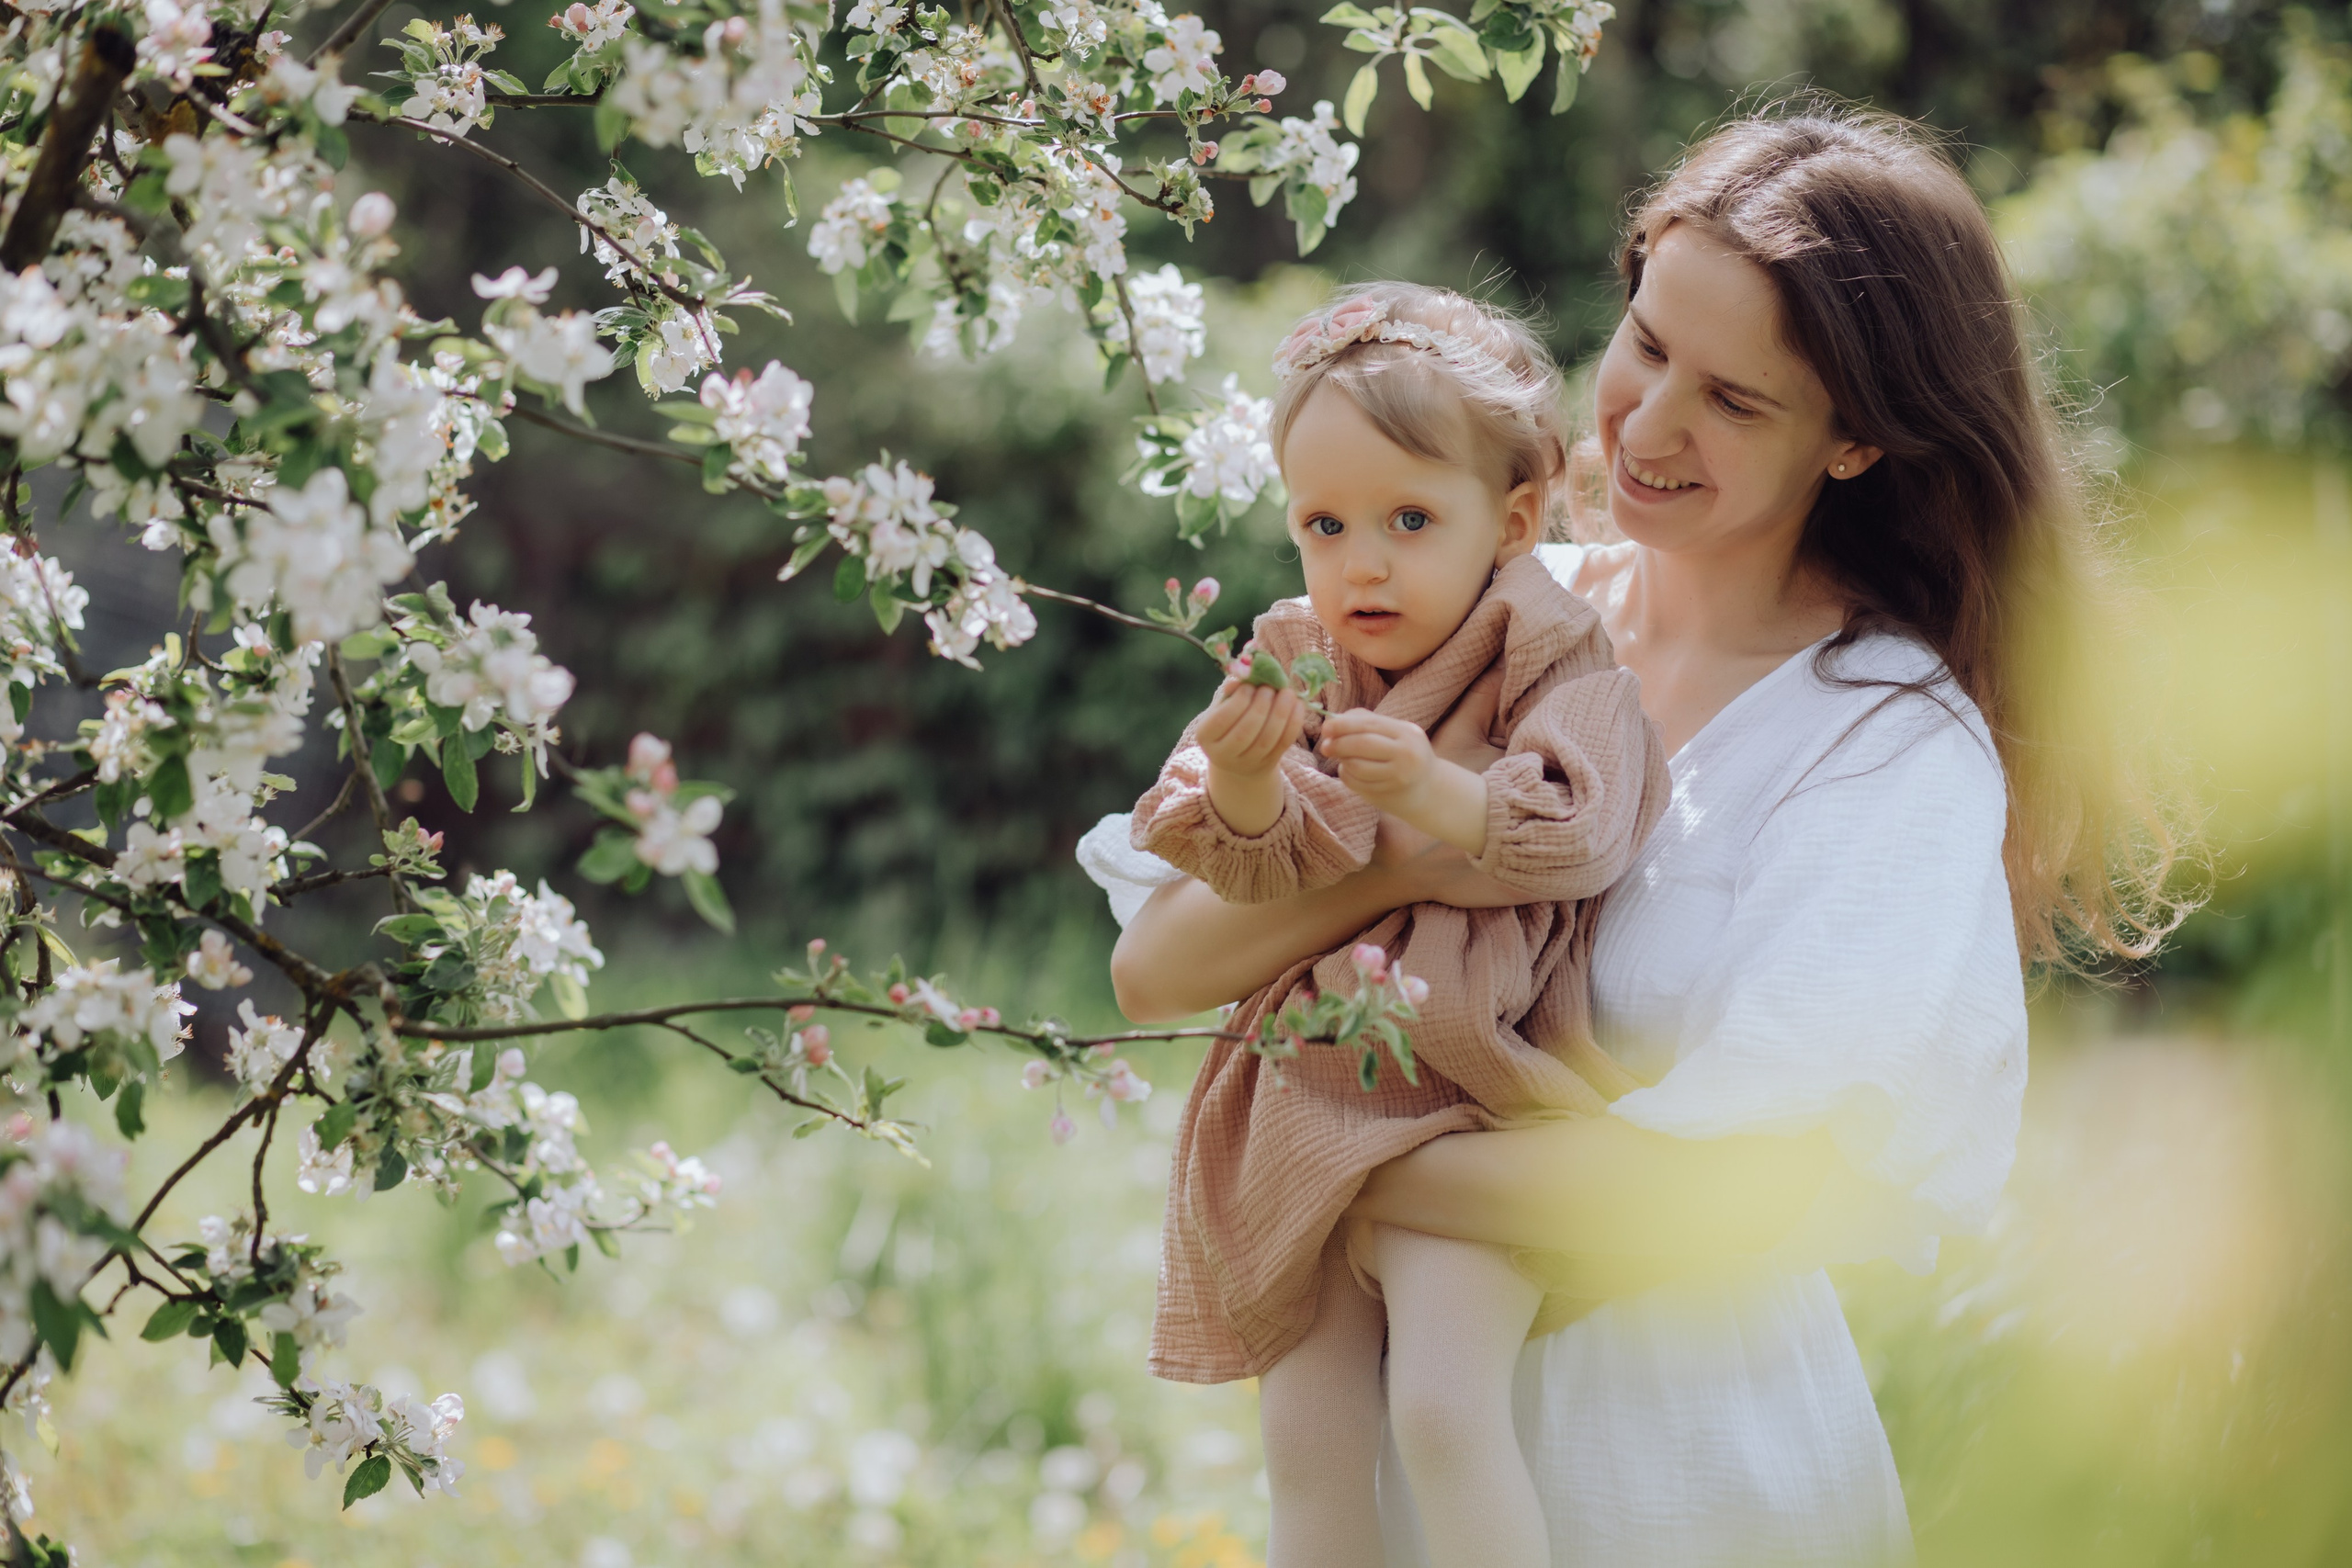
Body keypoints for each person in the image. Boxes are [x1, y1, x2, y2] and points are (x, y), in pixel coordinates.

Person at [1091, 105, 2188, 1566]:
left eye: (1734, 400)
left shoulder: (1881, 740)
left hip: (1684, 1484)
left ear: (1856, 440)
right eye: (1650, 343)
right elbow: (1159, 969)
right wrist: (1421, 851)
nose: (1651, 426)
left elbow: (1737, 1194)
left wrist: (1315, 1164)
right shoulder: (1476, 597)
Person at [1099, 280, 1669, 1568]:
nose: (1363, 562)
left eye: (1410, 520)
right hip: (1314, 1087)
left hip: (1472, 1088)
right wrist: (1247, 780)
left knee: (1445, 1414)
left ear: (1512, 520)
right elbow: (1250, 866)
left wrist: (1438, 797)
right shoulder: (1301, 657)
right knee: (1307, 1439)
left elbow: (1584, 827)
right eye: (1325, 524)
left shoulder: (1555, 653)